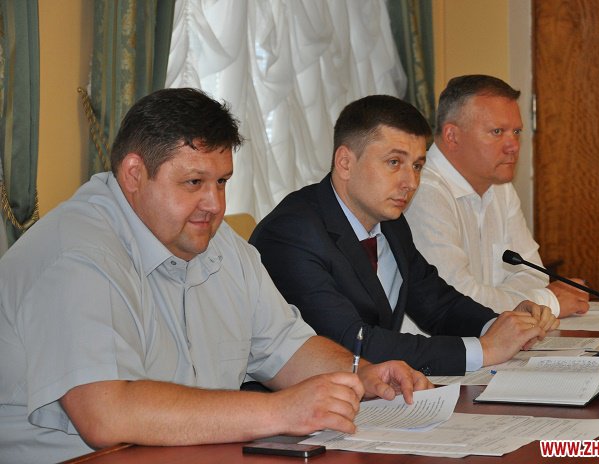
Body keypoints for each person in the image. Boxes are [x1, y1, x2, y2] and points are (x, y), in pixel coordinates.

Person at [0, 88, 430, 464]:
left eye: (222, 182)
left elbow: (285, 346)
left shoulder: (218, 244)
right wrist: (281, 411)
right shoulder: (78, 254)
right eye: (194, 182)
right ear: (134, 174)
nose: (214, 205)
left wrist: (360, 375)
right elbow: (107, 415)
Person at [249, 95, 559, 378]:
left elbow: (437, 303)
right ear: (345, 163)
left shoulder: (390, 223)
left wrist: (500, 324)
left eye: (418, 166)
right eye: (394, 163)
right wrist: (484, 350)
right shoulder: (292, 233)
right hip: (297, 404)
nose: (410, 182)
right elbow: (351, 342)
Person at [404, 75, 589, 324]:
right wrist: (547, 302)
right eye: (497, 132)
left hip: (494, 339)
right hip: (437, 346)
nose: (513, 146)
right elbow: (458, 302)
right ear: (452, 136)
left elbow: (533, 274)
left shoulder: (500, 187)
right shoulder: (422, 191)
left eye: (516, 132)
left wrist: (521, 299)